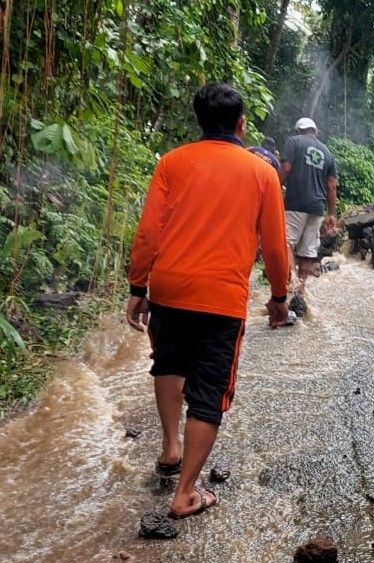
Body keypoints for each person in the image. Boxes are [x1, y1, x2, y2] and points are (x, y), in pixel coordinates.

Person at [126, 83, 290, 519]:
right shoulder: (262, 173)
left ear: (200, 122)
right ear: (241, 124)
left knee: (168, 363)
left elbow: (148, 233)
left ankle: (169, 447)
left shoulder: (172, 162)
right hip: (221, 298)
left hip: (168, 288)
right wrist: (278, 296)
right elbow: (275, 247)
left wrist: (137, 286)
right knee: (210, 392)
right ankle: (185, 494)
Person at [279, 117, 337, 306]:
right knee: (307, 250)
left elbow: (286, 169)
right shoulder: (327, 152)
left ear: (299, 130)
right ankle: (301, 291)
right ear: (315, 131)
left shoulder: (293, 142)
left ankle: (292, 279)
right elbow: (331, 185)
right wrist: (331, 213)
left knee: (286, 241)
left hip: (296, 202)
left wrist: (273, 187)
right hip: (317, 207)